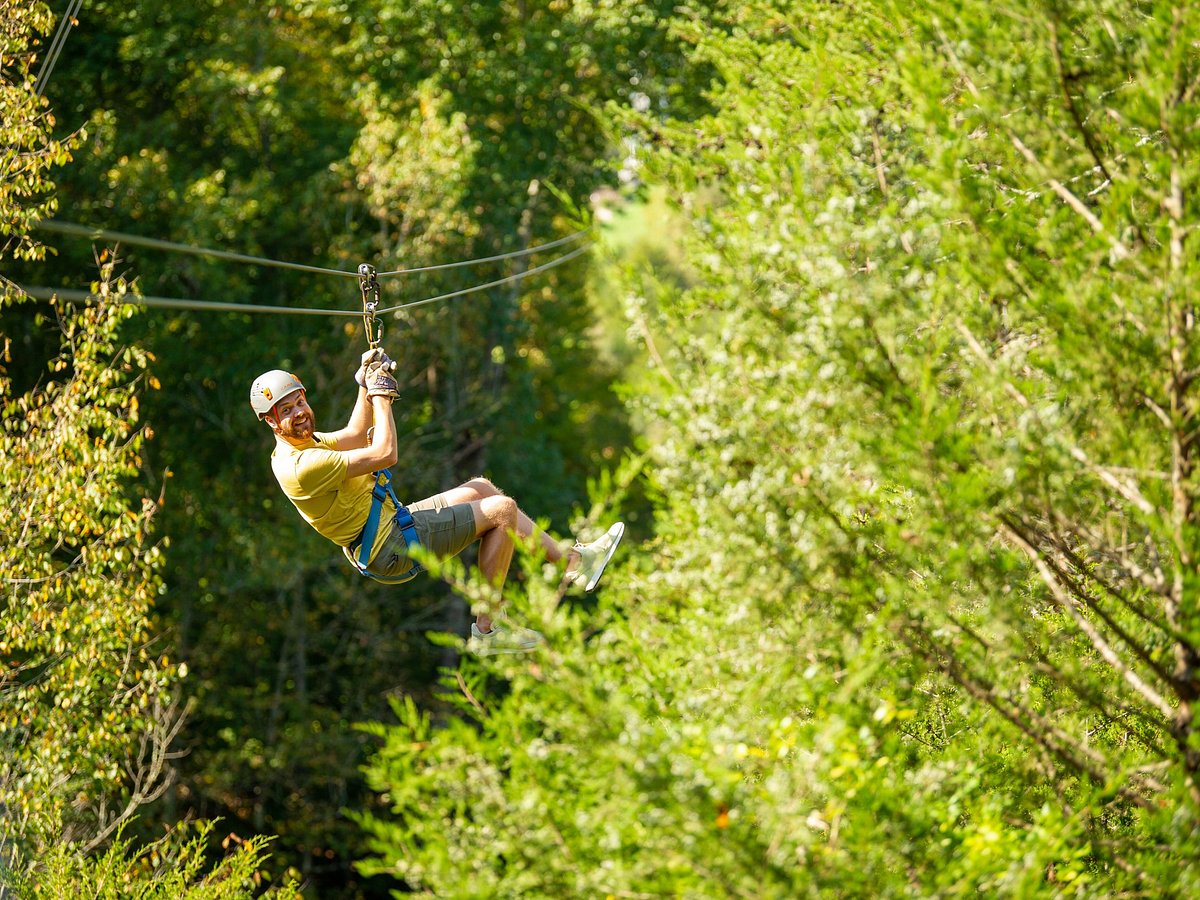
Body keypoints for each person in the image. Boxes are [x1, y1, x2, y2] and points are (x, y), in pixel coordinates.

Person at [249, 350, 624, 655]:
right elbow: (384, 451)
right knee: (502, 511)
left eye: (300, 402)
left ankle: (575, 563)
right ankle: (488, 631)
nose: (299, 413)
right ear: (271, 422)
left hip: (392, 525)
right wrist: (382, 397)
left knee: (482, 488)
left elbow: (353, 434)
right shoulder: (301, 466)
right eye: (287, 410)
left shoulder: (308, 442)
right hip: (388, 548)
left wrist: (366, 383)